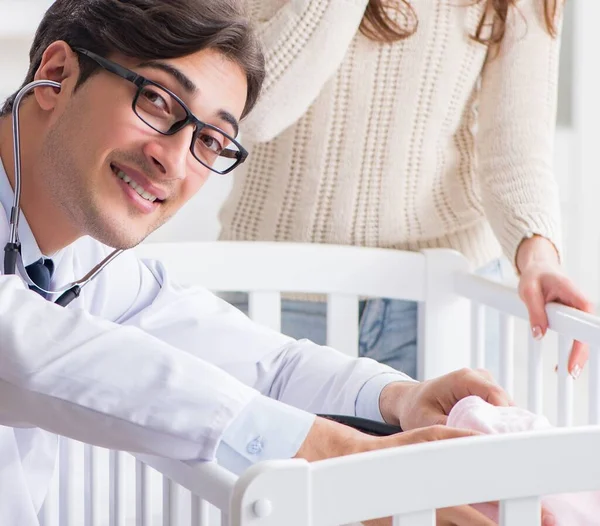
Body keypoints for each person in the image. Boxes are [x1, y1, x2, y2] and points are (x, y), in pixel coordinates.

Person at [0, 2, 552, 525]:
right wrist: (331, 453)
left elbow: (265, 363)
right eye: (157, 101)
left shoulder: (91, 261)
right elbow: (27, 346)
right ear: (56, 73)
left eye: (211, 140)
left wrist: (397, 398)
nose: (172, 159)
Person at [218, 0, 593, 380]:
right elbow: (251, 112)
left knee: (461, 440)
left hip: (442, 291)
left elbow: (516, 150)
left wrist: (539, 257)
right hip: (278, 286)